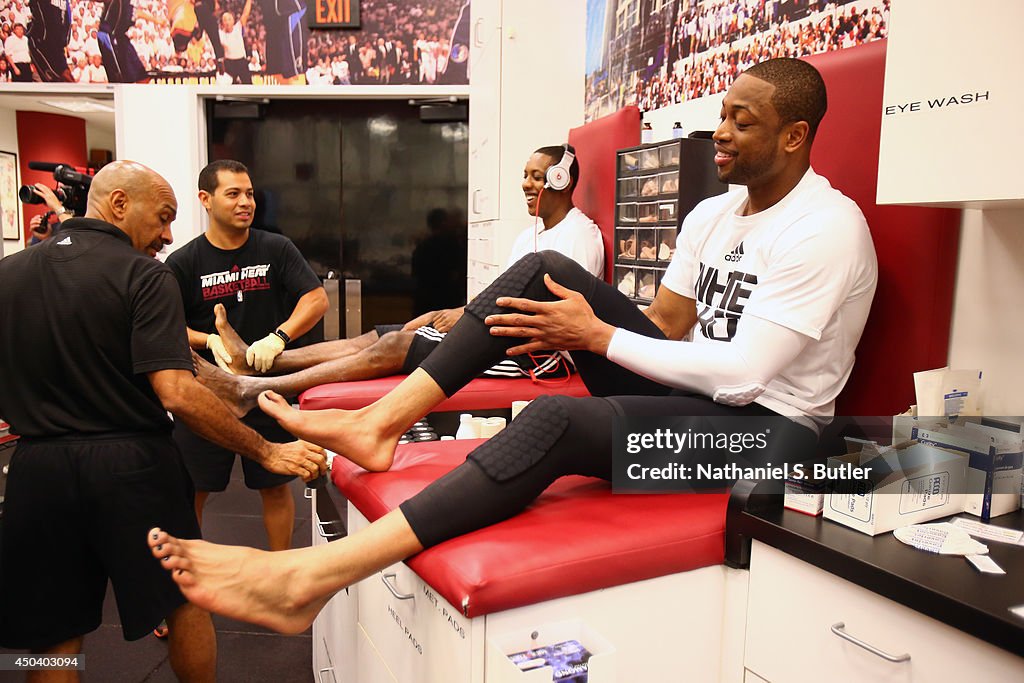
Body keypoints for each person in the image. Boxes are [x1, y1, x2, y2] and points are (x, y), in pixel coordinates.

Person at [148, 58, 877, 635]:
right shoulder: (714, 215)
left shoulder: (825, 227)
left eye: (739, 122)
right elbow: (667, 323)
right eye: (720, 114)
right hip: (705, 399)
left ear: (793, 136)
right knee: (539, 272)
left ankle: (313, 576)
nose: (718, 131)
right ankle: (381, 422)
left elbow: (748, 373)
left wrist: (597, 337)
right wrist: (589, 338)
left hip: (776, 435)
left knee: (550, 421)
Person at [0, 160, 327, 676]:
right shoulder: (145, 274)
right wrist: (266, 449)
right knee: (186, 602)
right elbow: (174, 390)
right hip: (132, 467)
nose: (167, 235)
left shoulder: (9, 274)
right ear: (120, 204)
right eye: (162, 218)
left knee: (52, 630)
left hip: (38, 471)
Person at [188, 145, 603, 417]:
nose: (526, 184)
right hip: (501, 334)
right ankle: (252, 364)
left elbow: (557, 323)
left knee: (395, 344)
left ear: (561, 181)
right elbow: (504, 296)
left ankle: (250, 389)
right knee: (374, 336)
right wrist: (460, 314)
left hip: (537, 359)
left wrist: (466, 319)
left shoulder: (579, 237)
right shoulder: (528, 235)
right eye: (525, 174)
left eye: (536, 176)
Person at [166, 160, 329, 553]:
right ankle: (190, 576)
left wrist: (279, 337)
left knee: (274, 486)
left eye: (250, 194)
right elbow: (167, 323)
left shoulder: (275, 247)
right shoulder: (184, 262)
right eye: (234, 194)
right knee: (193, 490)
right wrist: (209, 340)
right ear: (205, 199)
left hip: (266, 388)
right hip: (206, 396)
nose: (246, 202)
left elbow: (316, 298)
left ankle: (281, 569)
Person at [25, 0, 74, 81]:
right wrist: (65, 39)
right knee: (62, 75)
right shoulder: (65, 3)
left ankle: (75, 92)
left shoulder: (64, 3)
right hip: (48, 42)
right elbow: (68, 20)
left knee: (59, 77)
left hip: (46, 42)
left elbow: (68, 19)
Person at [218, 0, 252, 84]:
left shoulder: (238, 27)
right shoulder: (220, 34)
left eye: (229, 19)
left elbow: (245, 13)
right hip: (229, 63)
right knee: (227, 87)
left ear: (233, 21)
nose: (227, 22)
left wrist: (249, 1)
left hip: (241, 62)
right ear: (222, 23)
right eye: (225, 20)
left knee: (248, 86)